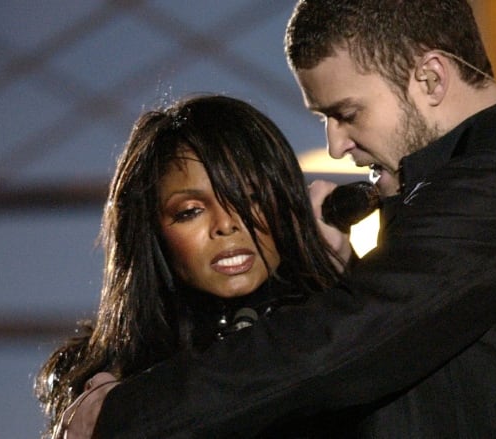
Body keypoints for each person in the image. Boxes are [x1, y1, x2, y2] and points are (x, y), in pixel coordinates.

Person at [82, 1, 496, 437]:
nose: (336, 145)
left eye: (346, 113)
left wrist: (120, 415)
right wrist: (352, 269)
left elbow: (333, 349)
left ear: (430, 78)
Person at [34, 94, 347, 438]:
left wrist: (344, 281)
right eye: (190, 211)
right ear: (151, 232)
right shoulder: (100, 385)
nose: (226, 225)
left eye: (251, 198)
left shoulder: (347, 323)